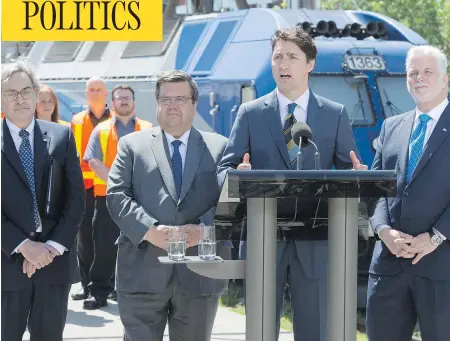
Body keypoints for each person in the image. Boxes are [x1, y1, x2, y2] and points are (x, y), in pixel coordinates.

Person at [217, 27, 366, 341]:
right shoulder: (250, 113)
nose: (283, 64)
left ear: (310, 64)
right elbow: (225, 169)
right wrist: (237, 174)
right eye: (277, 57)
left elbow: (345, 170)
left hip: (316, 242)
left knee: (314, 331)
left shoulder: (335, 115)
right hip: (262, 239)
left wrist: (357, 176)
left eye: (292, 57)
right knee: (260, 332)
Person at [106, 70, 230, 341]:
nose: (172, 104)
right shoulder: (131, 146)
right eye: (165, 99)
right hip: (141, 273)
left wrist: (203, 230)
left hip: (199, 276)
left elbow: (231, 200)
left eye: (180, 99)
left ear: (194, 104)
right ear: (157, 103)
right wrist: (150, 231)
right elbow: (116, 195)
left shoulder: (220, 148)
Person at [366, 45, 450, 341]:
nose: (419, 78)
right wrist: (384, 230)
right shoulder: (391, 127)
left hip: (442, 267)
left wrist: (436, 236)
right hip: (389, 265)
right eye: (413, 72)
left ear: (445, 79)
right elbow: (376, 190)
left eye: (427, 72)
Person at [1, 59, 85, 341]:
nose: (20, 99)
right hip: (7, 262)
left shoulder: (62, 136)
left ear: (37, 94)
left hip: (54, 263)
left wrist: (49, 248)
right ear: (1, 98)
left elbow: (75, 201)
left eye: (25, 91)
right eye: (10, 93)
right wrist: (24, 246)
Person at [82, 85, 152, 309]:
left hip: (141, 199)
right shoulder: (101, 130)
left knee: (140, 245)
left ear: (134, 102)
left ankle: (133, 289)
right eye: (119, 98)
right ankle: (99, 292)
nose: (123, 101)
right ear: (112, 103)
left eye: (127, 98)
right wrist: (119, 184)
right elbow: (93, 161)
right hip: (108, 198)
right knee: (103, 246)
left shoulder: (148, 128)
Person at [71, 77, 113, 302]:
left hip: (109, 188)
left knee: (109, 238)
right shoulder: (77, 120)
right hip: (85, 187)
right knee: (85, 238)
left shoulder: (118, 120)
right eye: (91, 89)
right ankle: (86, 285)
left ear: (106, 93)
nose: (95, 93)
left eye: (99, 89)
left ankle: (110, 284)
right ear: (86, 93)